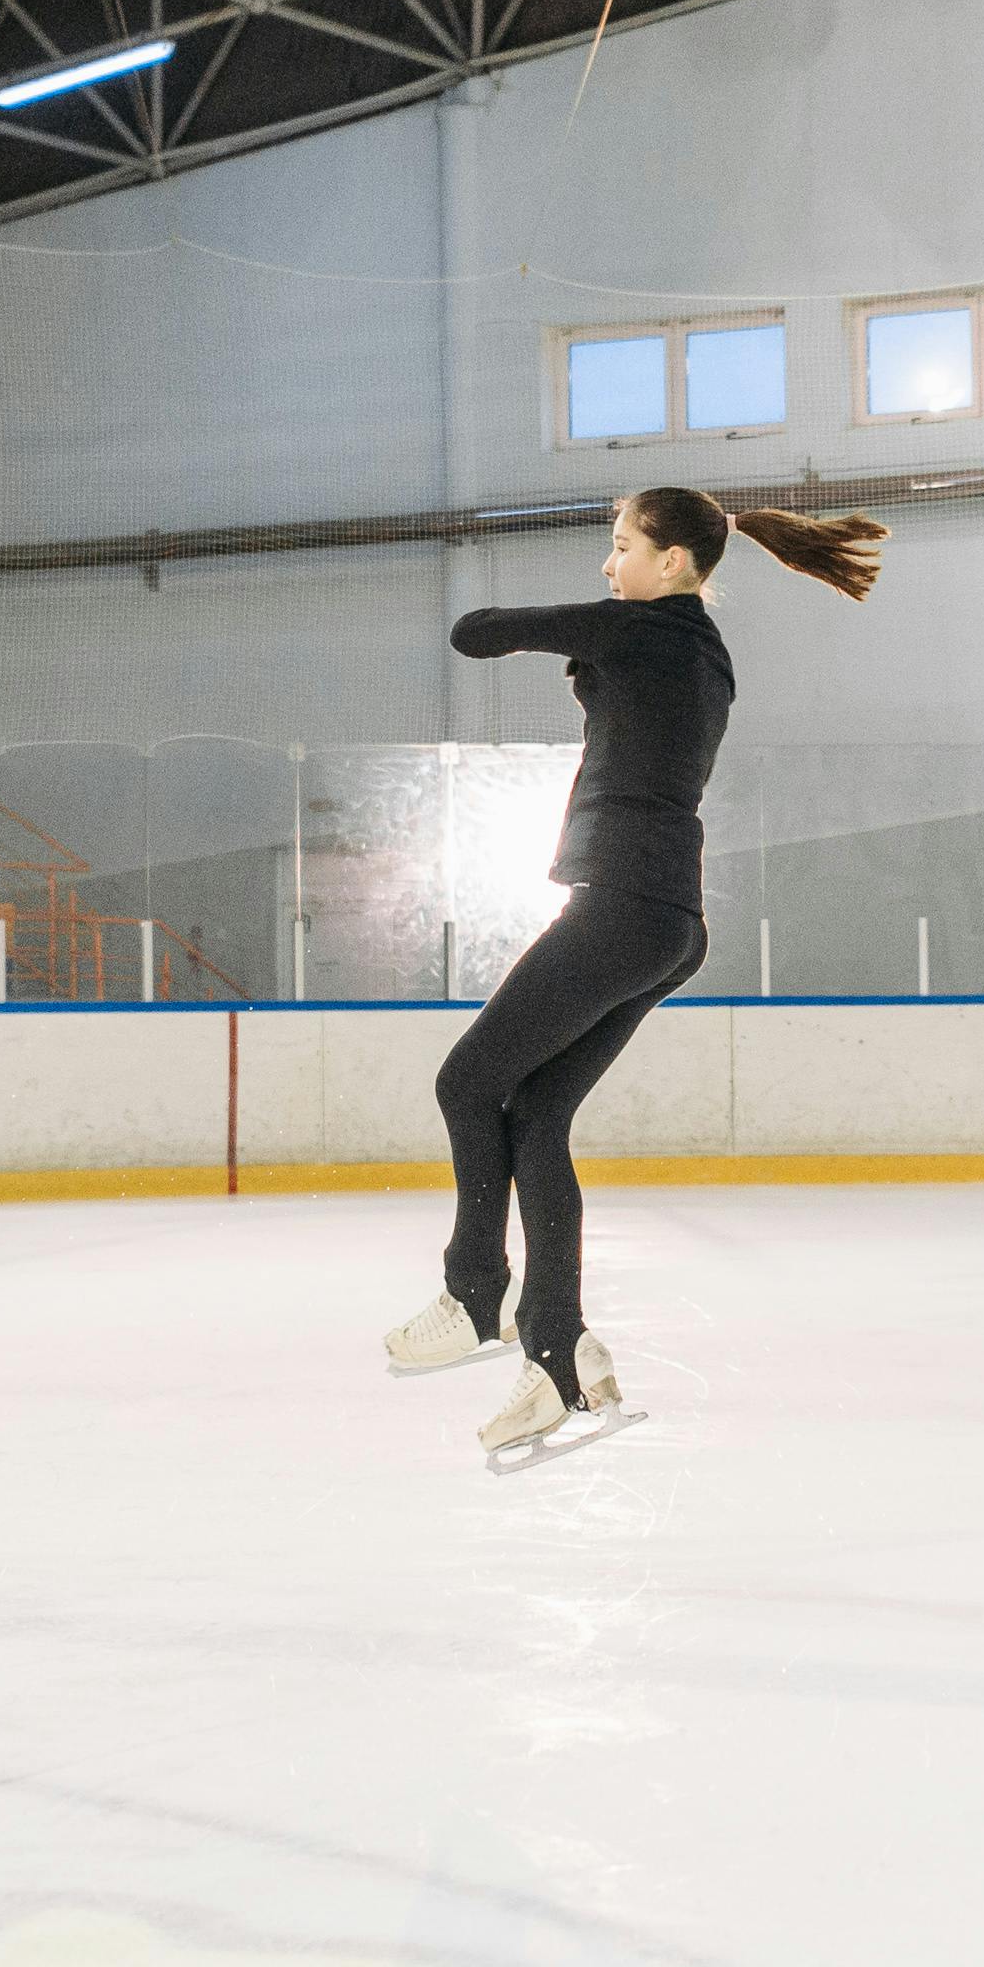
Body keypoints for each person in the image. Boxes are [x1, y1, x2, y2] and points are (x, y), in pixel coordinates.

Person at [384, 487, 887, 1464]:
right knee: (532, 1115)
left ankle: (475, 1293)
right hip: (667, 917)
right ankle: (559, 1352)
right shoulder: (701, 653)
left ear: (672, 563)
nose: (607, 565)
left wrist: (587, 636)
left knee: (465, 1081)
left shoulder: (647, 633)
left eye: (620, 547)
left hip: (619, 905)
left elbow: (477, 630)